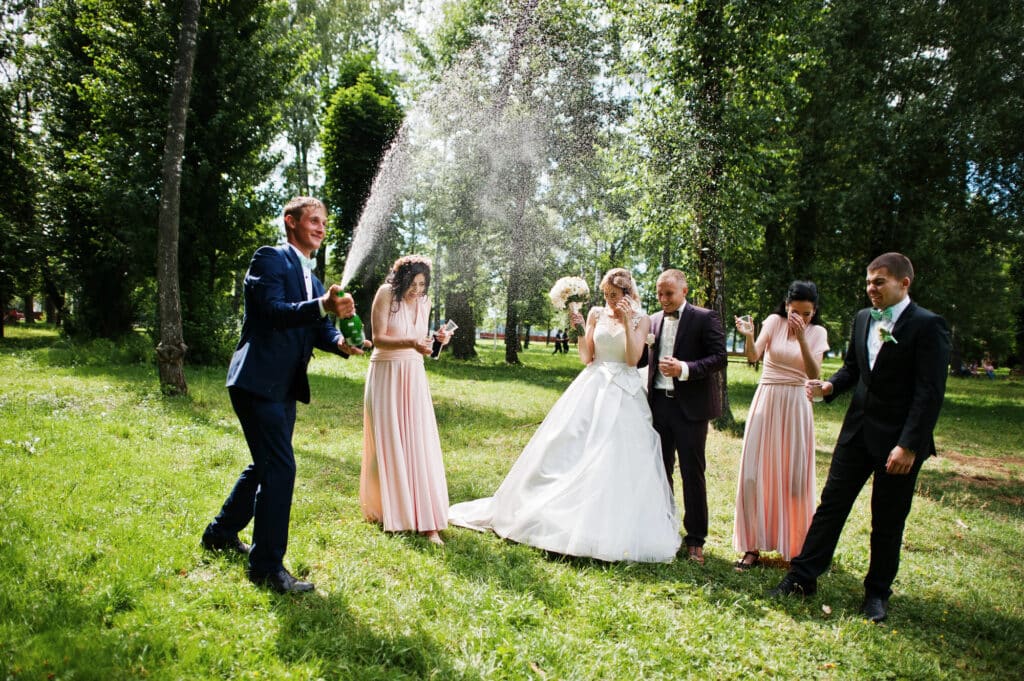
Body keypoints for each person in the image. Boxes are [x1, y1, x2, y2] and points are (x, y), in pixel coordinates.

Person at [448, 268, 681, 562]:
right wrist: (581, 329)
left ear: (627, 293)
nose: (609, 301)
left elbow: (634, 359)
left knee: (614, 454)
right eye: (606, 294)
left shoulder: (640, 317)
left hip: (623, 390)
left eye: (614, 295)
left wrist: (625, 319)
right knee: (568, 443)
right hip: (593, 384)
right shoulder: (596, 313)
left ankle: (604, 525)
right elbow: (587, 357)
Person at [769, 253, 950, 623]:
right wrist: (829, 385)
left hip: (898, 442)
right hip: (856, 432)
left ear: (904, 283)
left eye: (879, 282)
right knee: (831, 505)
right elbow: (854, 368)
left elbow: (929, 391)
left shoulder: (929, 325)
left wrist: (909, 444)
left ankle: (876, 594)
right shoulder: (863, 318)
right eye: (868, 282)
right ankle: (803, 578)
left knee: (887, 518)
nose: (871, 288)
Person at [202, 196, 365, 594]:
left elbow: (316, 327)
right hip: (256, 381)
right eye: (313, 220)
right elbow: (274, 311)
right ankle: (266, 568)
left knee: (265, 466)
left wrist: (340, 340)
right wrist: (322, 305)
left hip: (282, 386)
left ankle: (220, 534)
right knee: (280, 468)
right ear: (290, 222)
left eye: (324, 223)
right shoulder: (270, 258)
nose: (321, 228)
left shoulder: (311, 276)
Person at [731, 282, 830, 571]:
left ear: (814, 311)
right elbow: (753, 356)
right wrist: (749, 337)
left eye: (807, 313)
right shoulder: (774, 322)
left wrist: (801, 338)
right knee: (753, 473)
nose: (800, 317)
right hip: (767, 398)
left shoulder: (817, 332)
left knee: (793, 478)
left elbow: (814, 374)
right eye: (795, 311)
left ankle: (794, 547)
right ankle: (752, 547)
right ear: (786, 306)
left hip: (797, 402)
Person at [360, 255, 452, 545]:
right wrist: (412, 343)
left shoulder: (424, 303)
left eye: (422, 285)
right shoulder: (386, 294)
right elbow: (378, 338)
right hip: (386, 372)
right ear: (401, 279)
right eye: (413, 283)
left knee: (417, 442)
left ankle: (426, 520)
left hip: (413, 374)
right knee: (389, 443)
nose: (417, 290)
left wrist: (436, 343)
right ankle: (393, 512)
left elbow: (424, 349)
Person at [638, 269, 727, 565]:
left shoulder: (705, 318)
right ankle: (664, 530)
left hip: (690, 409)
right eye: (659, 293)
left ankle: (695, 540)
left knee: (692, 473)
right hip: (658, 406)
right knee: (661, 472)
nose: (663, 299)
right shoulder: (651, 320)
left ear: (684, 291)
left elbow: (719, 358)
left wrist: (685, 369)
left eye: (669, 293)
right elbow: (639, 358)